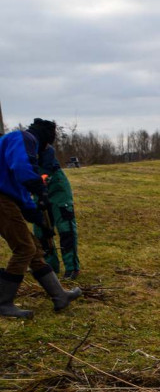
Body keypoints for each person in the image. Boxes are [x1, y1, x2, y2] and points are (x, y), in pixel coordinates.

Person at [0, 119, 82, 319]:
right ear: (45, 140)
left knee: (34, 249)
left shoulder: (20, 144)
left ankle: (59, 295)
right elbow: (22, 169)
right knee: (24, 248)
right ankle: (3, 303)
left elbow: (20, 191)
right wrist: (39, 188)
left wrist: (37, 218)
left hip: (7, 199)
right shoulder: (23, 138)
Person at [32, 141, 81, 279]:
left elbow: (49, 151)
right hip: (38, 188)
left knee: (65, 227)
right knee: (41, 229)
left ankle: (72, 268)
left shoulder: (33, 144)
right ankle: (49, 266)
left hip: (56, 185)